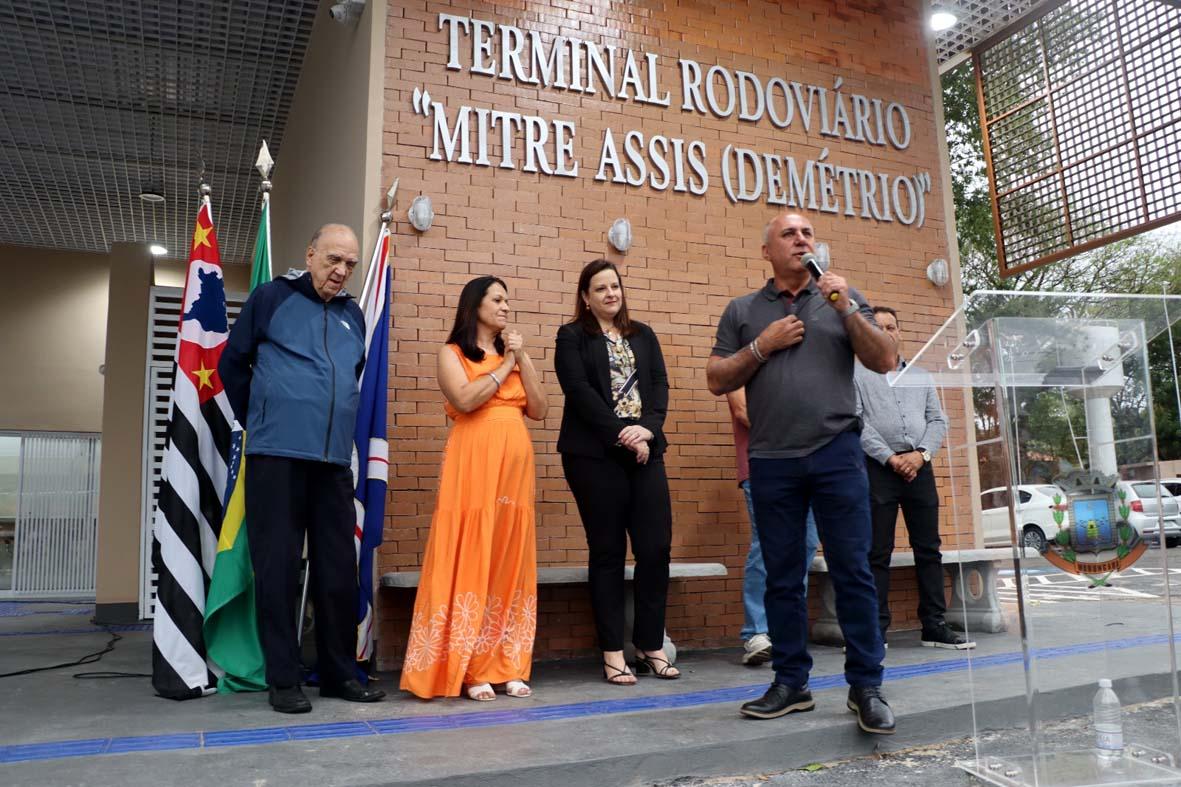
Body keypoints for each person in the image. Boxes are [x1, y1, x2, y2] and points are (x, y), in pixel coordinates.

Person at [706, 212, 897, 734]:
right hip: (771, 459)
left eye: (807, 233)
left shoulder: (841, 297)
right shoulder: (744, 310)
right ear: (766, 251)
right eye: (789, 234)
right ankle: (791, 683)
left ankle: (866, 685)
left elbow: (885, 359)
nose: (801, 240)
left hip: (837, 451)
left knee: (853, 570)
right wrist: (761, 346)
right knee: (783, 575)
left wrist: (847, 307)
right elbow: (715, 378)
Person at [219, 223, 386, 713]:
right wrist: (267, 418)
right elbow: (233, 364)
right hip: (276, 457)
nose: (342, 271)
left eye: (351, 264)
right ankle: (284, 679)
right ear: (310, 254)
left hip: (333, 462)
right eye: (334, 260)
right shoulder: (272, 298)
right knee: (279, 569)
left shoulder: (354, 315)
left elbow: (349, 376)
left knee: (338, 572)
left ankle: (337, 674)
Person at [400, 276, 547, 701]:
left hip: (515, 469)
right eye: (497, 299)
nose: (505, 306)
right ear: (475, 305)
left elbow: (539, 409)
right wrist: (504, 366)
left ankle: (509, 662)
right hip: (473, 462)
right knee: (473, 551)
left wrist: (523, 359)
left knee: (508, 555)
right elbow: (465, 400)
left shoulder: (514, 355)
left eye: (507, 300)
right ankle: (469, 667)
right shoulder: (452, 353)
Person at [556, 259, 678, 685]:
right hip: (594, 456)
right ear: (586, 298)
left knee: (655, 547)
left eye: (615, 286)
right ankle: (612, 652)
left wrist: (648, 430)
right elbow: (579, 392)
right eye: (601, 289)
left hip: (646, 449)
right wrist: (625, 435)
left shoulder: (642, 335)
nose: (611, 294)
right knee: (608, 552)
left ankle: (650, 644)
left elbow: (659, 387)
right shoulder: (571, 336)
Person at [855, 306, 973, 651]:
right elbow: (857, 422)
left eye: (892, 326)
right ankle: (876, 629)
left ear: (900, 332)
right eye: (878, 328)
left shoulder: (920, 376)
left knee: (929, 548)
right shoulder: (857, 376)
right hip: (879, 469)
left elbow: (938, 421)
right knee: (877, 551)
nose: (887, 332)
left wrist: (920, 455)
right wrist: (891, 458)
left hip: (920, 466)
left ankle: (934, 625)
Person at [727, 388, 820, 666]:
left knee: (805, 544)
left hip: (806, 466)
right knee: (768, 545)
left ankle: (787, 629)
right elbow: (742, 410)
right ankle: (757, 631)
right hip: (763, 465)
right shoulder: (745, 359)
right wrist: (795, 432)